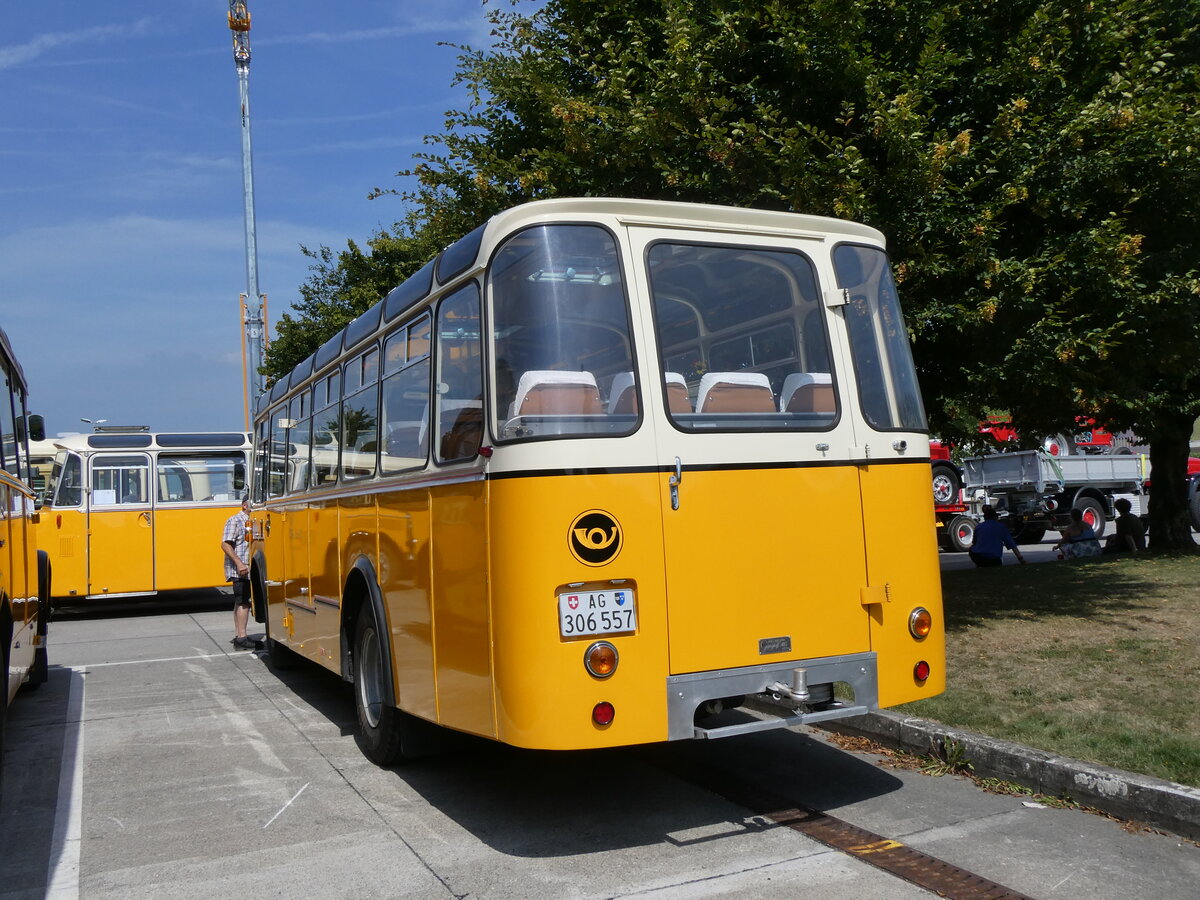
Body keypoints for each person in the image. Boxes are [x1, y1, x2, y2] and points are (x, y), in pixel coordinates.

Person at [221, 495, 260, 650]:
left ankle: (239, 636)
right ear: (245, 505)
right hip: (241, 569)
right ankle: (242, 638)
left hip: (247, 568)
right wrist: (239, 563)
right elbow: (225, 544)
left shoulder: (254, 520)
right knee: (243, 601)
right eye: (253, 503)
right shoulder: (235, 520)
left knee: (240, 601)